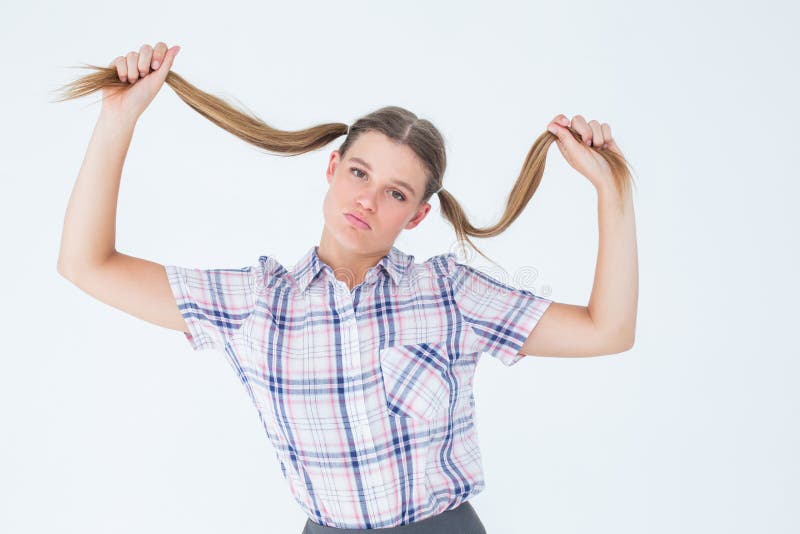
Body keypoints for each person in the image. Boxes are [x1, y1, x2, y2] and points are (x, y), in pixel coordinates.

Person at [55, 42, 638, 532]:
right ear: (333, 170)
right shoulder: (255, 303)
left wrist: (613, 193)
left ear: (415, 216)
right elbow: (87, 264)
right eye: (360, 173)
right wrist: (118, 118)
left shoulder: (449, 295)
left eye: (396, 192)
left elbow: (607, 330)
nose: (368, 198)